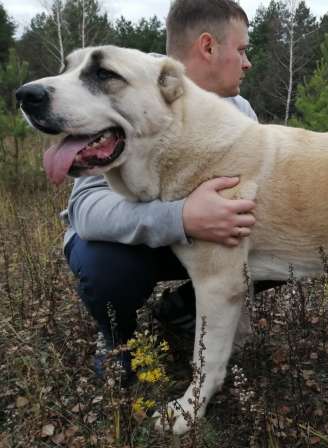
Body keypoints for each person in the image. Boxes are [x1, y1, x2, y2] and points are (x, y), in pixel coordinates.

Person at [63, 0, 266, 378]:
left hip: (200, 242)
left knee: (275, 240)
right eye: (241, 50)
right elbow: (86, 209)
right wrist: (183, 217)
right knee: (104, 266)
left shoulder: (240, 110)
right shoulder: (122, 88)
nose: (247, 62)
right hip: (132, 247)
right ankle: (118, 340)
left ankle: (183, 309)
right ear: (208, 47)